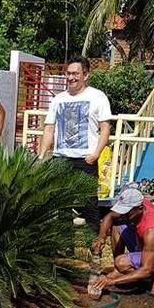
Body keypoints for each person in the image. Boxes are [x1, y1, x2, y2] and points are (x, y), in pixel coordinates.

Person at [38, 56, 112, 227]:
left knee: (89, 204)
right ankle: (65, 245)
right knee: (61, 203)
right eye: (68, 73)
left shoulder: (97, 97)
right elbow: (49, 129)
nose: (71, 77)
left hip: (85, 159)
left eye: (75, 74)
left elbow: (105, 128)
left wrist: (95, 154)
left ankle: (93, 244)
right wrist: (42, 156)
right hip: (61, 158)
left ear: (85, 75)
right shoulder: (58, 99)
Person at [89, 185, 154, 294]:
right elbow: (109, 217)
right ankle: (120, 270)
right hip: (148, 245)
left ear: (140, 209)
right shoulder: (138, 203)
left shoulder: (151, 230)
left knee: (121, 262)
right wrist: (101, 237)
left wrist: (111, 281)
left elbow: (147, 269)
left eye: (127, 213)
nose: (123, 216)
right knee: (117, 225)